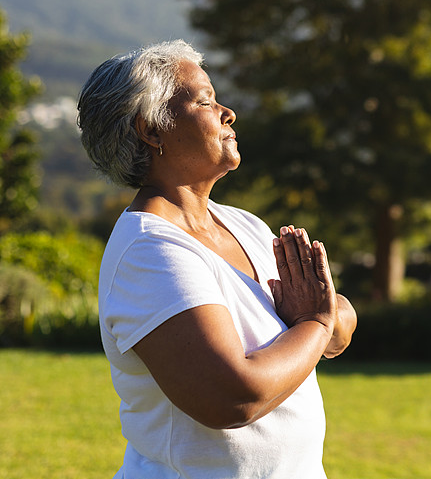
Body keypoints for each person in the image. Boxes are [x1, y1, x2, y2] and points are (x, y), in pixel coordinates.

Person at [78, 39, 357, 479]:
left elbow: (341, 324)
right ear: (152, 130)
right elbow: (232, 399)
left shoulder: (243, 224)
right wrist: (313, 324)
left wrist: (321, 319)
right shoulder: (149, 251)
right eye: (205, 100)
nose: (228, 112)